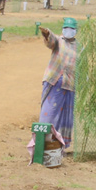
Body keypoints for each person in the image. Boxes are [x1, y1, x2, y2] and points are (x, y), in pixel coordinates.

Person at [37, 17, 78, 149]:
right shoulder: (59, 41)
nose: (68, 31)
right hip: (54, 82)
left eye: (71, 29)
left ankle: (58, 145)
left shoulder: (80, 47)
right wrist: (47, 33)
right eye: (66, 28)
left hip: (69, 85)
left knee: (65, 116)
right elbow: (51, 41)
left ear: (75, 30)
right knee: (49, 112)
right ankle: (41, 142)